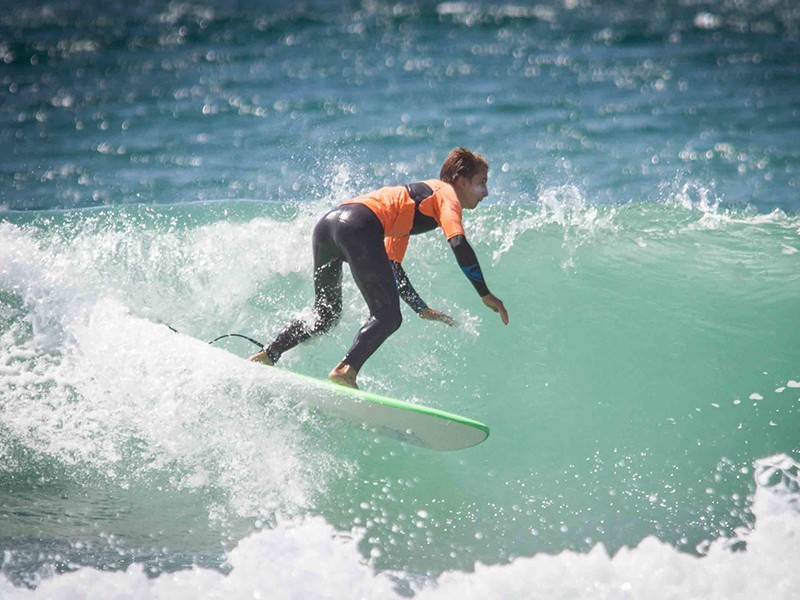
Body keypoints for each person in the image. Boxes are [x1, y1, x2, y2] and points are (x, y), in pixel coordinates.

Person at [249, 147, 509, 388]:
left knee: (325, 314)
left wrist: (420, 308)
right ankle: (346, 370)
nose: (485, 193)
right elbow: (459, 242)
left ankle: (268, 354)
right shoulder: (447, 196)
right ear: (462, 182)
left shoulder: (412, 202)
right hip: (358, 226)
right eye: (482, 183)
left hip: (329, 226)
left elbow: (392, 265)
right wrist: (484, 293)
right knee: (387, 317)